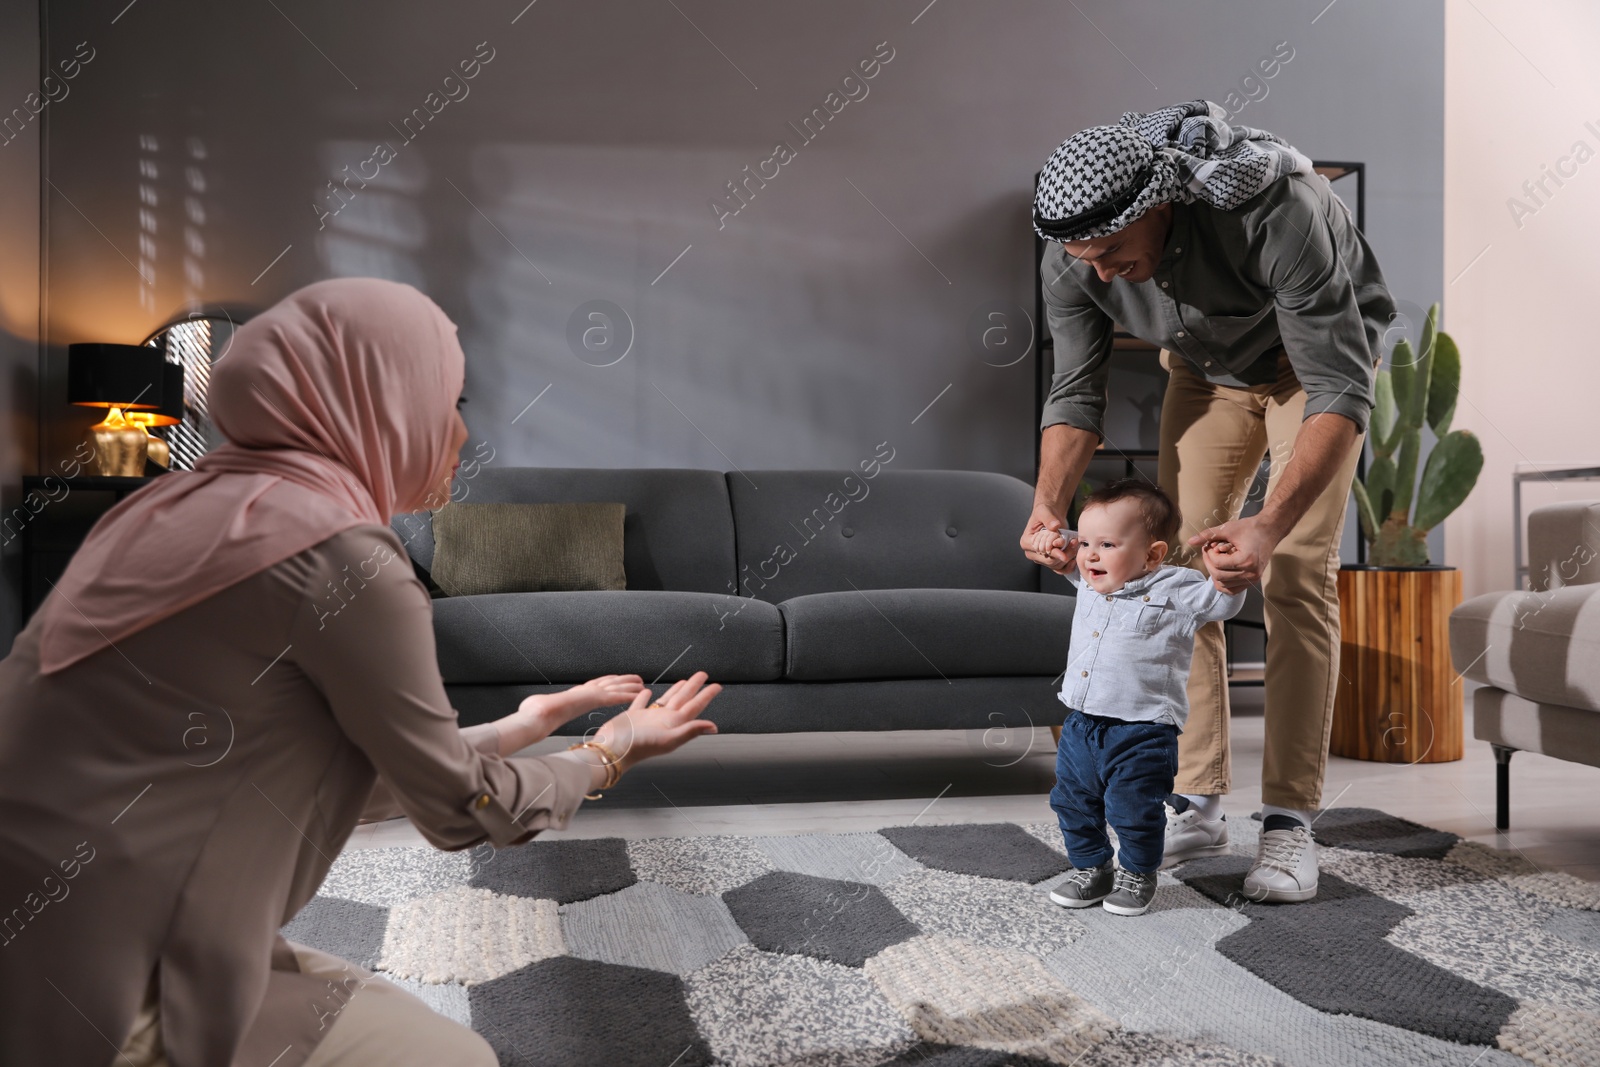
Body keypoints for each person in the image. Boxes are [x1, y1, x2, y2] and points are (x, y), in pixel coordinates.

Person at [0, 278, 722, 1066]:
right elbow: (461, 808)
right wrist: (611, 749)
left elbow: (310, 772)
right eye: (450, 401)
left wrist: (528, 722)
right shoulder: (340, 555)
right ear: (376, 402)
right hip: (112, 986)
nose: (462, 435)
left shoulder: (153, 509)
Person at [1022, 100, 1396, 903]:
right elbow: (1075, 392)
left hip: (1318, 368)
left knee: (1294, 567)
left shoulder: (1277, 211)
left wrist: (1266, 522)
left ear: (1158, 204)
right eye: (1083, 257)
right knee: (1173, 566)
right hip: (1207, 370)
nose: (1099, 272)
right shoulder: (1073, 260)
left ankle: (1291, 822)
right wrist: (1047, 506)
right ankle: (1195, 797)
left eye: (1114, 253)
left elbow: (1338, 385)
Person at [1040, 480, 1244, 916]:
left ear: (1152, 554)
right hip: (1080, 725)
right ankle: (1092, 868)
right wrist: (1058, 543)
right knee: (1072, 802)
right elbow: (1069, 552)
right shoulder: (1089, 580)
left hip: (1142, 729)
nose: (1090, 554)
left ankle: (1137, 873)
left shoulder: (1177, 587)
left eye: (1107, 544)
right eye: (1087, 542)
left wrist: (1229, 574)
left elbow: (1220, 604)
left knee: (1133, 809)